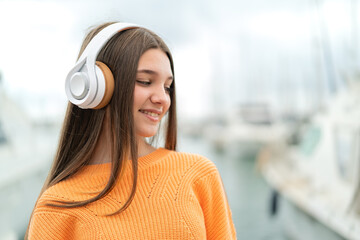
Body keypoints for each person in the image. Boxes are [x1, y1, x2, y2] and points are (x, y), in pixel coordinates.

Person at [26, 21, 236, 239]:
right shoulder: (55, 207)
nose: (163, 99)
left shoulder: (198, 174)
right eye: (145, 81)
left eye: (167, 87)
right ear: (98, 86)